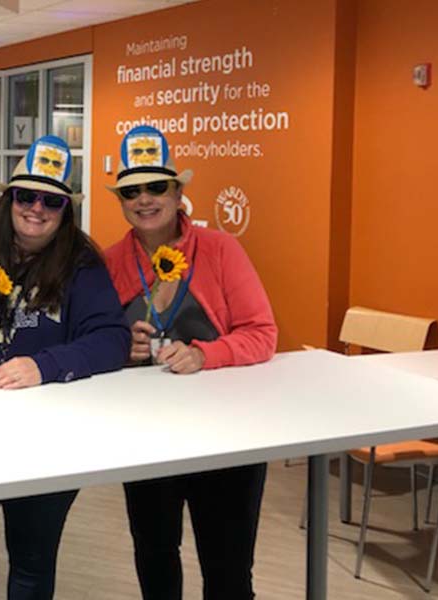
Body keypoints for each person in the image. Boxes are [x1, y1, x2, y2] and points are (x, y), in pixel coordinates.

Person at [0, 136, 131, 600]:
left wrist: (44, 366)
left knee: (31, 568)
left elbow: (112, 340)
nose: (37, 208)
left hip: (48, 440)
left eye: (52, 200)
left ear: (65, 209)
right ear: (7, 199)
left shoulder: (83, 267)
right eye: (26, 195)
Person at [104, 125, 277, 600]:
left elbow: (262, 334)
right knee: (155, 557)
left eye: (157, 186)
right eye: (131, 191)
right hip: (146, 436)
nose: (144, 199)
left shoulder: (222, 250)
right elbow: (94, 343)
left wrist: (206, 354)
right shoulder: (110, 260)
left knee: (227, 571)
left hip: (226, 433)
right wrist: (122, 348)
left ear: (179, 192)